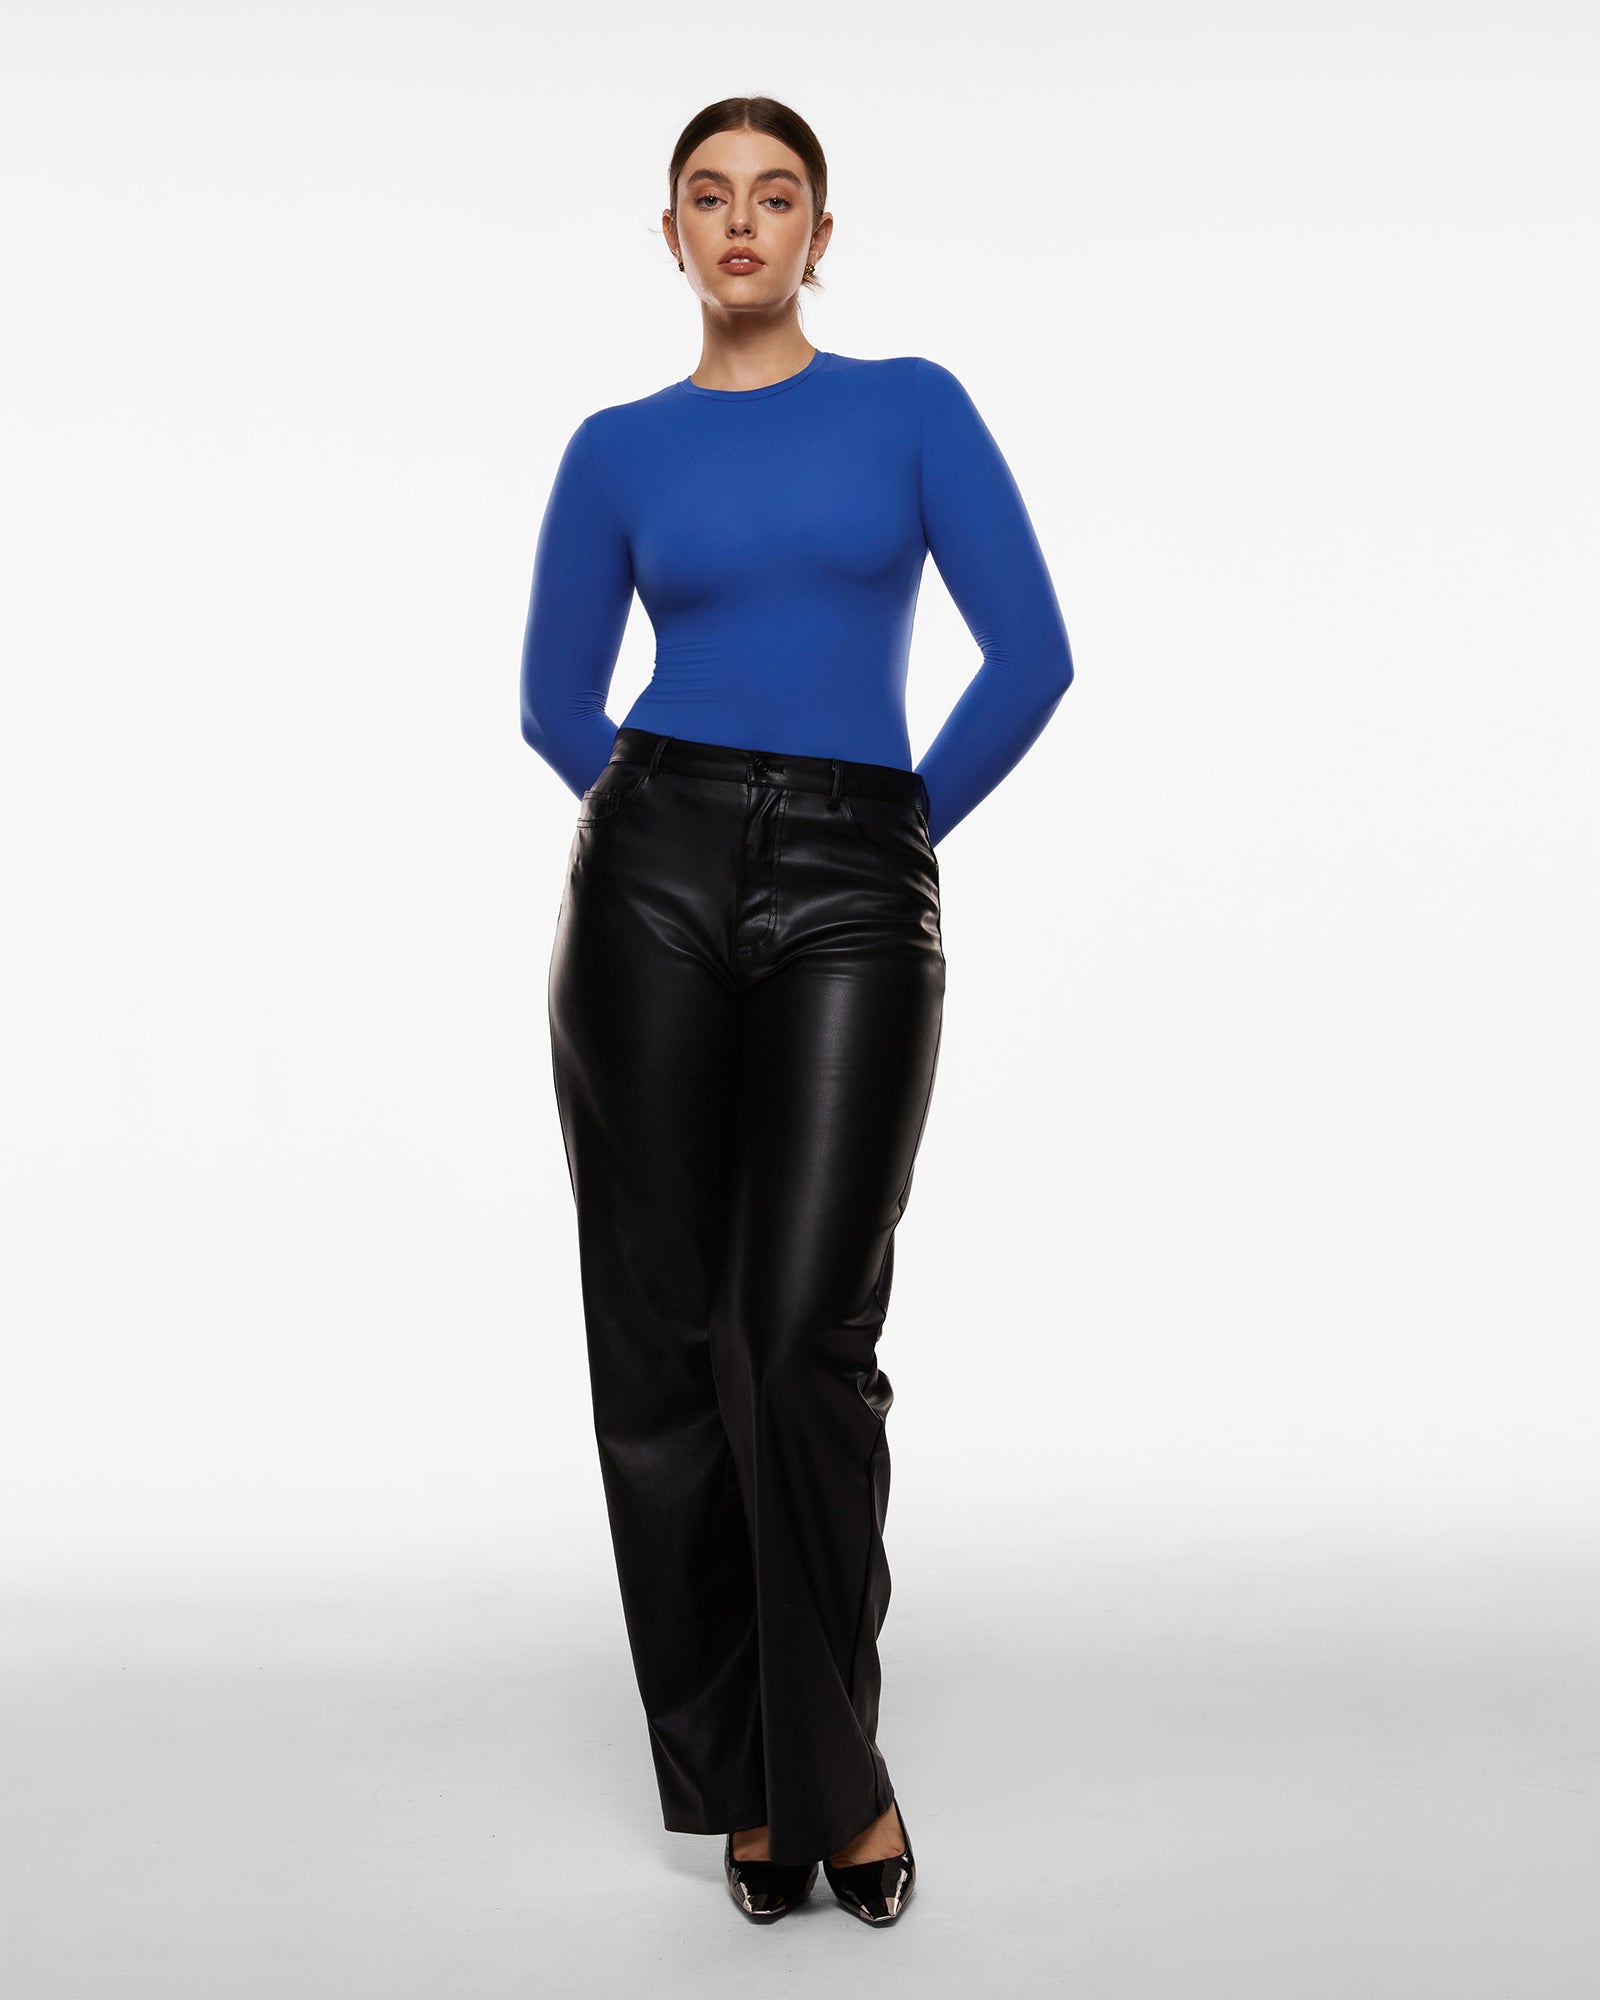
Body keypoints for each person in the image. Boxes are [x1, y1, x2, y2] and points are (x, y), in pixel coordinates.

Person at [519, 95, 1074, 1927]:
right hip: (652, 873)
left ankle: (837, 1774)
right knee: (672, 1343)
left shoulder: (912, 407)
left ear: (821, 235)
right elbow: (552, 703)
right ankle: (755, 1784)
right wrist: (668, 832)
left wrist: (885, 828)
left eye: (776, 197)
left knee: (800, 1340)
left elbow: (1034, 656)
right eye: (709, 196)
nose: (742, 222)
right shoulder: (615, 448)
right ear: (671, 232)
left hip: (855, 872)